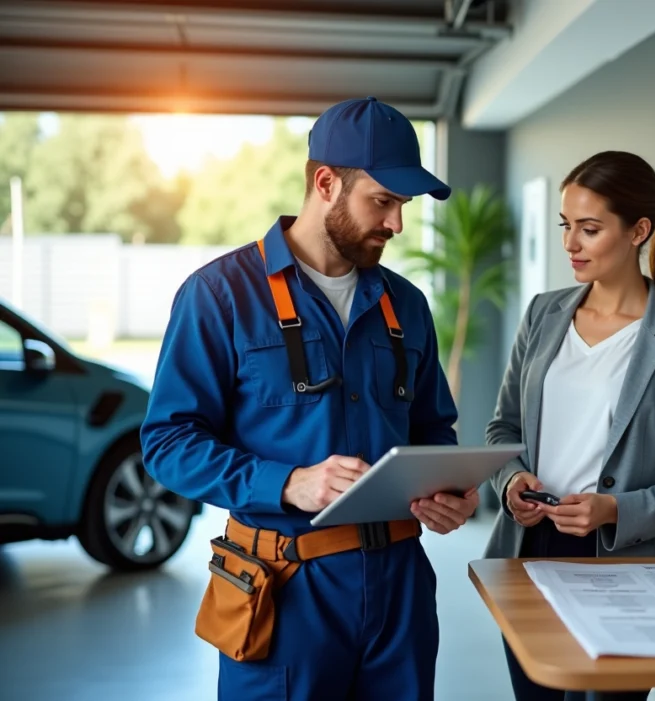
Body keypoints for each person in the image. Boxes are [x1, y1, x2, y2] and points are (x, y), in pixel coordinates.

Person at [140, 97, 479, 701]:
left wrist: (449, 491)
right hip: (284, 591)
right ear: (325, 183)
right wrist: (287, 482)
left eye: (402, 205)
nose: (397, 224)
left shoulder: (408, 306)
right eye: (383, 201)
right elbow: (168, 444)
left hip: (400, 593)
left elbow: (433, 430)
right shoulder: (219, 296)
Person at [483, 151, 655, 701]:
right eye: (566, 226)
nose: (570, 244)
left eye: (589, 229)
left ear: (639, 230)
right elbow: (503, 430)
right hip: (529, 552)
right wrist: (511, 483)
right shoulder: (543, 315)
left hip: (625, 563)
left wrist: (614, 510)